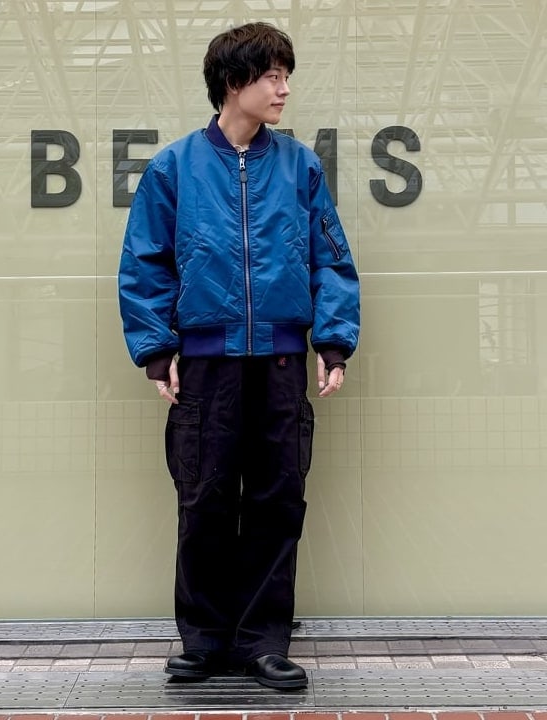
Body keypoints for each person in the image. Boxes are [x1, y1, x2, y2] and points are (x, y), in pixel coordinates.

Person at [118, 21, 360, 691]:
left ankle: (262, 643)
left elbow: (330, 259)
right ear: (234, 82)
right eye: (272, 75)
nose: (284, 89)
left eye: (286, 76)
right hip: (207, 365)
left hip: (280, 364)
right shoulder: (174, 167)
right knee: (204, 500)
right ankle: (203, 641)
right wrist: (157, 348)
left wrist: (332, 341)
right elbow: (144, 263)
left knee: (278, 500)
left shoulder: (300, 166)